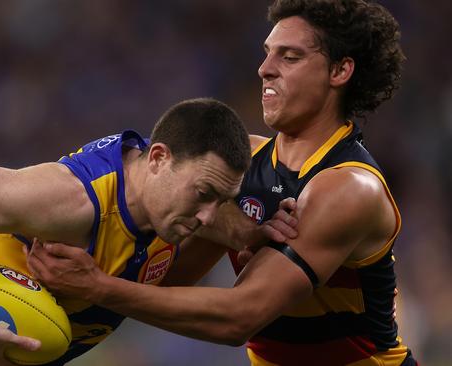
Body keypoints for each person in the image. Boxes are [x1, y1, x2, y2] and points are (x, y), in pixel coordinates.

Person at [27, 1, 417, 365]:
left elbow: (240, 318)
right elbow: (166, 280)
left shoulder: (349, 188)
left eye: (291, 56)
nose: (265, 68)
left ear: (339, 71)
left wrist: (96, 286)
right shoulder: (241, 163)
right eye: (267, 52)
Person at [0, 98, 296, 366]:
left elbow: (161, 287)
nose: (207, 217)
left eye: (220, 200)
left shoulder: (168, 207)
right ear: (157, 158)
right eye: (203, 194)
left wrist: (244, 232)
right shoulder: (71, 201)